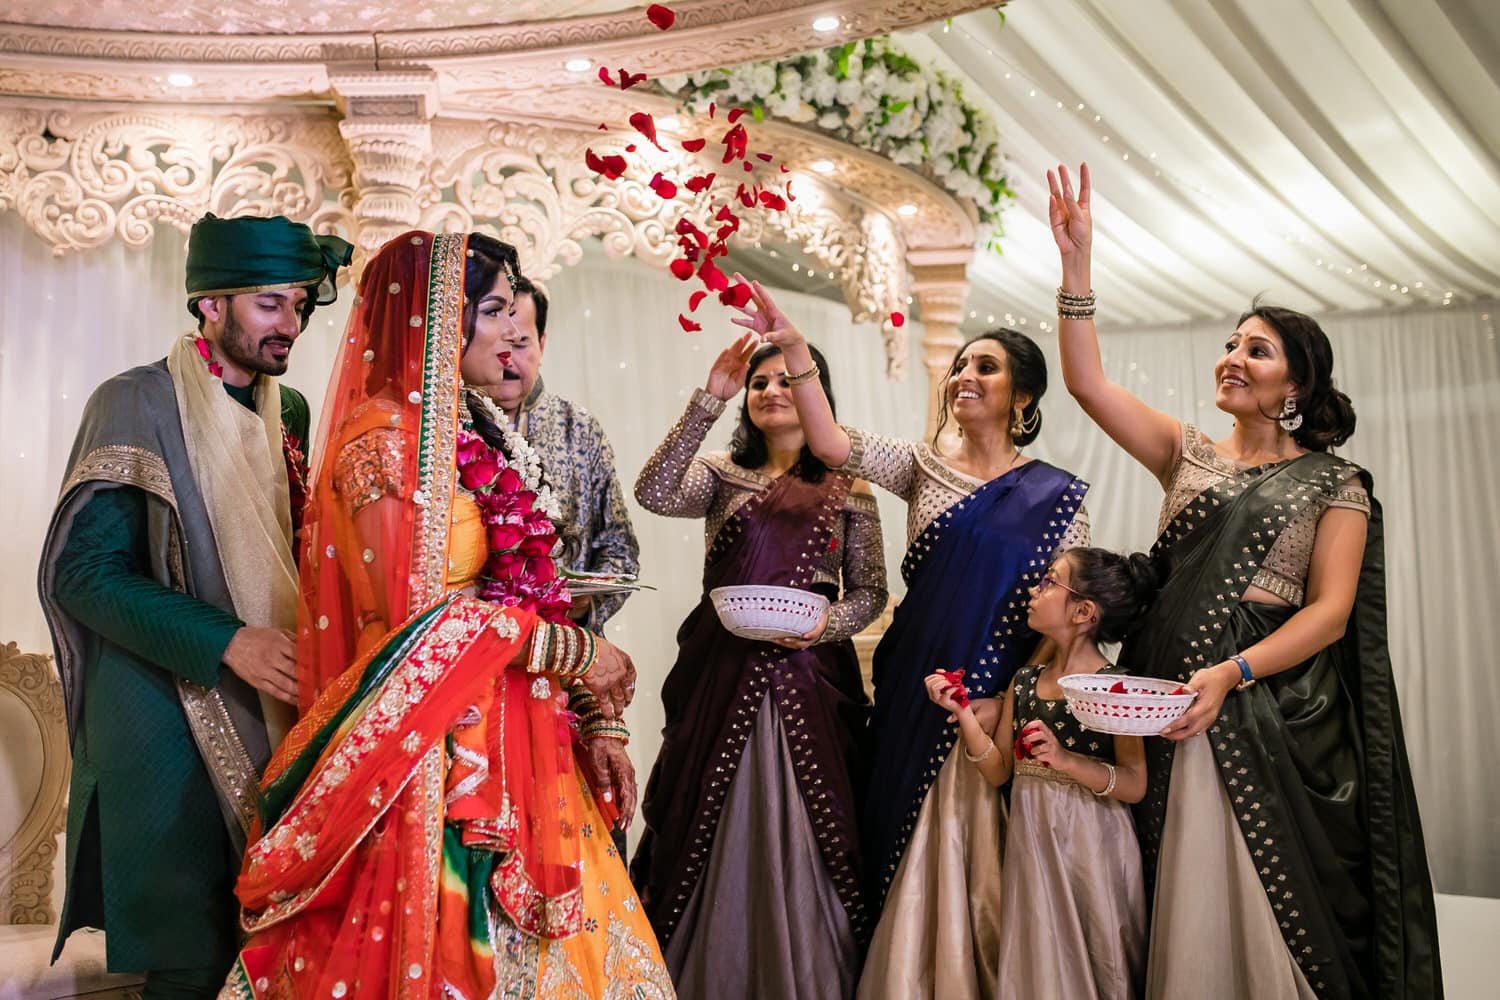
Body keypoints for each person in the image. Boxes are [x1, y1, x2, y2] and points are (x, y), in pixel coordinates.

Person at [222, 231, 674, 999]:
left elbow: (525, 589)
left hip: (520, 740)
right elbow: (416, 630)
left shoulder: (471, 433)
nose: (512, 329)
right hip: (422, 763)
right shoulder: (379, 445)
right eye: (492, 310)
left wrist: (597, 718)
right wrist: (573, 655)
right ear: (433, 320)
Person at [1047, 162, 1442, 998]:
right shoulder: (1186, 452)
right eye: (1230, 343)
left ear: (1295, 385)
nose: (1231, 357)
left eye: (1254, 349)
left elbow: (1331, 612)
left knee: (1264, 882)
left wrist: (1232, 674)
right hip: (1172, 683)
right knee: (1178, 870)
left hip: (1269, 703)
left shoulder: (1336, 483)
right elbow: (1086, 383)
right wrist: (1076, 269)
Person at [726, 279, 1090, 1000]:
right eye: (960, 364)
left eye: (985, 366)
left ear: (1024, 398)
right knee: (896, 829)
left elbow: (1062, 617)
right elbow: (831, 442)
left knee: (980, 856)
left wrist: (1008, 704)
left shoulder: (1058, 496)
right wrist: (794, 347)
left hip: (992, 700)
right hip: (912, 684)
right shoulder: (921, 467)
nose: (964, 376)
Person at [37, 214, 350, 997]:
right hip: (168, 723)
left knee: (281, 955)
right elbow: (83, 573)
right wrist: (227, 641)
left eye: (302, 304)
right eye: (270, 304)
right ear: (210, 304)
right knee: (193, 963)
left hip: (281, 705)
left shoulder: (295, 413)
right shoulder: (135, 401)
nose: (293, 324)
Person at [629, 335, 888, 998]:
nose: (770, 392)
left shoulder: (849, 484)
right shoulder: (722, 473)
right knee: (706, 808)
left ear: (815, 391)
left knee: (817, 813)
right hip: (720, 670)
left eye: (784, 380)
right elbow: (654, 492)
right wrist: (706, 401)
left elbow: (870, 590)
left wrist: (824, 624)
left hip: (811, 674)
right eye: (758, 384)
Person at [926, 546, 1155, 1000]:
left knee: (1097, 950)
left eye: (1051, 581)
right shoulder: (1026, 682)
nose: (1035, 589)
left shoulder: (1116, 687)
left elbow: (1134, 783)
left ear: (1083, 611)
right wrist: (965, 714)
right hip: (1031, 845)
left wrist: (1067, 761)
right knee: (1040, 956)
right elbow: (999, 772)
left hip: (1094, 844)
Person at [479, 275, 640, 632]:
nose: (508, 358)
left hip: (565, 638)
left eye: (521, 344)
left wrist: (585, 604)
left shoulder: (579, 428)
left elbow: (620, 547)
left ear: (543, 344)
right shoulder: (454, 423)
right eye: (498, 343)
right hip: (476, 636)